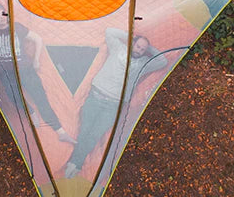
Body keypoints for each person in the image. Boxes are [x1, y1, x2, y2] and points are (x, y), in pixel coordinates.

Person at [64, 28, 166, 178]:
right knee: (84, 130)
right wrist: (130, 38)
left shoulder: (144, 63)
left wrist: (148, 47)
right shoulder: (118, 47)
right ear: (133, 44)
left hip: (113, 105)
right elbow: (109, 32)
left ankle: (74, 163)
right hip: (95, 96)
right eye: (138, 46)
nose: (139, 50)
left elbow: (163, 61)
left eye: (142, 49)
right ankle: (75, 163)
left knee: (95, 134)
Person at [0, 4, 75, 144]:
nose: (2, 18)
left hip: (25, 69)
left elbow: (38, 39)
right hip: (6, 72)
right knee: (13, 96)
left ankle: (60, 132)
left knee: (41, 99)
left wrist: (36, 60)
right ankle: (30, 112)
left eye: (3, 14)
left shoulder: (17, 27)